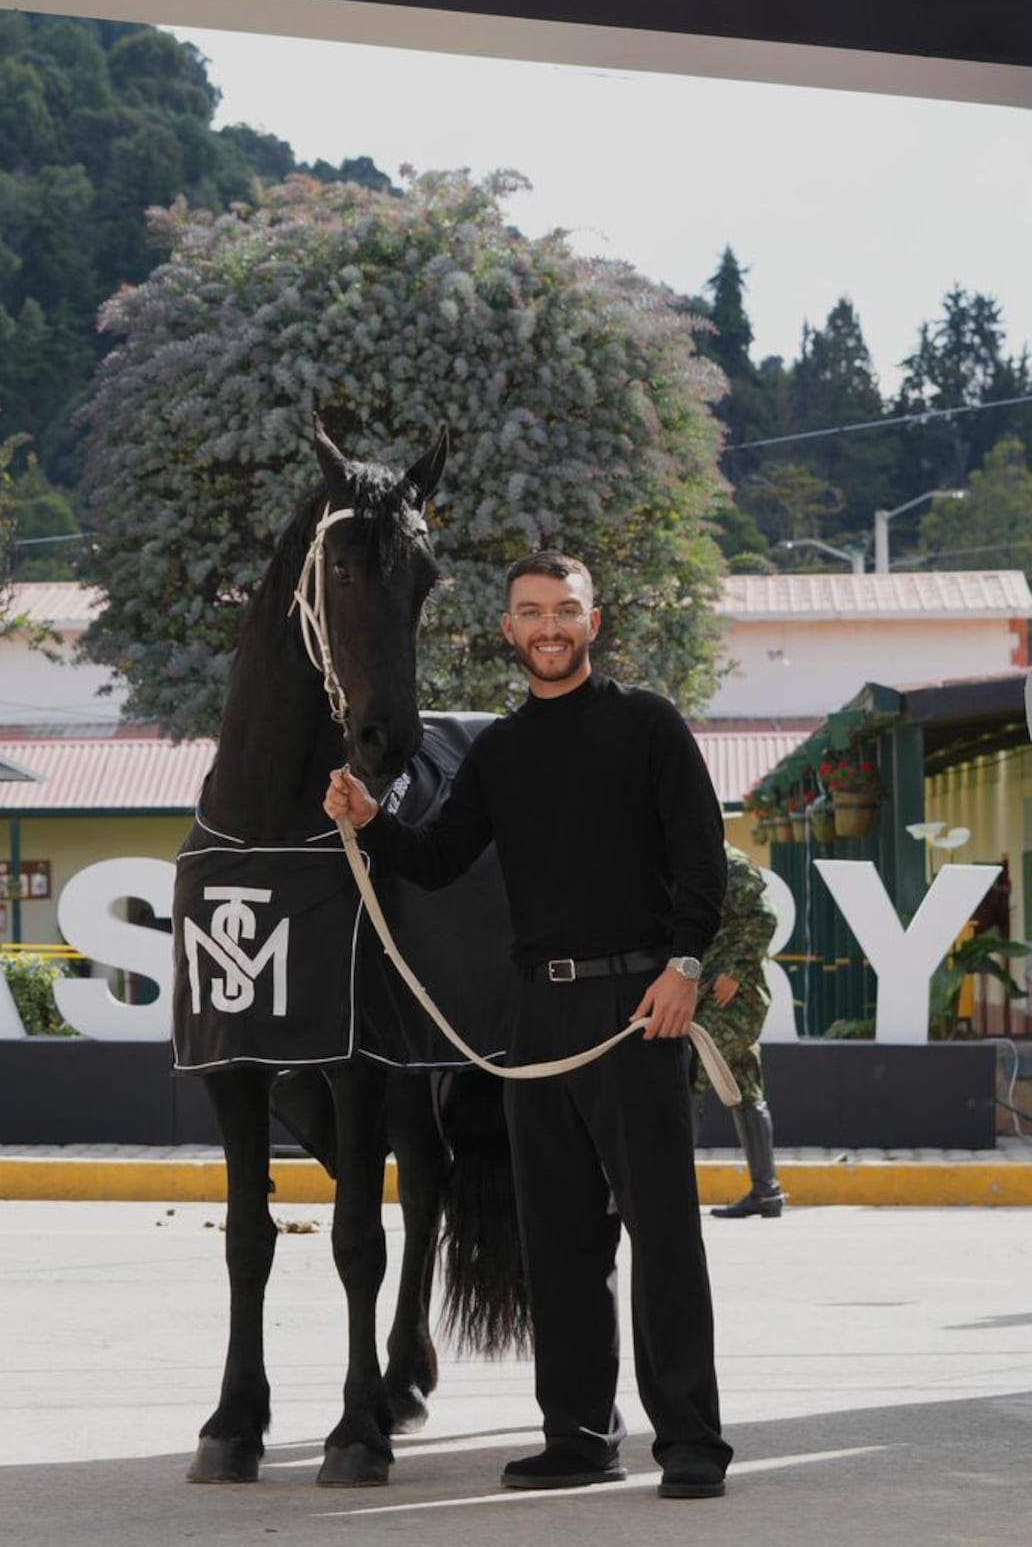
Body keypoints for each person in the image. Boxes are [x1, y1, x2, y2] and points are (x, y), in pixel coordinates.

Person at [324, 551, 732, 1500]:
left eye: (566, 610)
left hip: (639, 1010)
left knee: (664, 1233)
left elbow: (701, 860)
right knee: (560, 1239)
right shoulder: (501, 752)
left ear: (596, 620)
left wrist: (682, 968)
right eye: (531, 612)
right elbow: (434, 859)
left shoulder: (648, 726)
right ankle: (580, 1435)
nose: (549, 627)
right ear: (508, 631)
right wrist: (368, 818)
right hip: (535, 1015)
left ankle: (693, 1444)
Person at [694, 847, 786, 1219]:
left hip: (732, 997)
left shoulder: (730, 863)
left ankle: (672, 1192)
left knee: (689, 1077)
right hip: (715, 995)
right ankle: (767, 1193)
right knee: (746, 1085)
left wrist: (735, 970)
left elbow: (765, 917)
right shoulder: (701, 860)